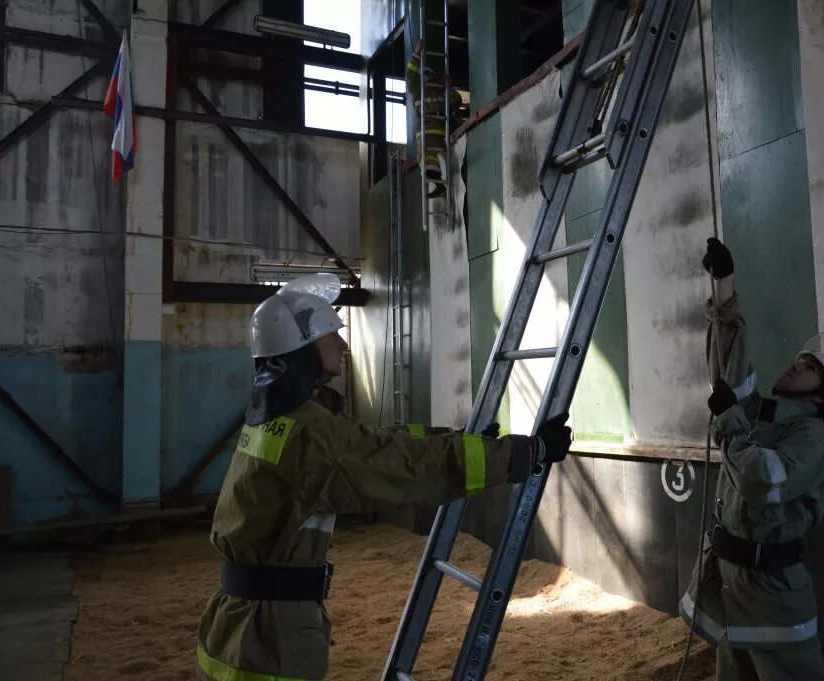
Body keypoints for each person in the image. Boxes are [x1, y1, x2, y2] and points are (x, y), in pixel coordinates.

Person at [196, 275, 571, 681]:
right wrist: (526, 453)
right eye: (331, 336)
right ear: (301, 349)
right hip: (269, 638)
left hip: (236, 624)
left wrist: (455, 438)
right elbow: (404, 465)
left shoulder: (279, 420)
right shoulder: (312, 433)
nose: (343, 345)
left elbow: (377, 443)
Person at [680, 238, 824, 681]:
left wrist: (729, 425)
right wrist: (723, 287)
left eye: (809, 368)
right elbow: (730, 368)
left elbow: (762, 480)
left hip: (773, 594)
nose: (796, 365)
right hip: (734, 580)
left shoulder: (812, 440)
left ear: (821, 396)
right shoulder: (766, 416)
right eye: (799, 360)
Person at [406, 38, 463, 199]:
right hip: (434, 130)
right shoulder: (418, 90)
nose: (427, 78)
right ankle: (437, 182)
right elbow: (410, 74)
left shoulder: (437, 89)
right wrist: (416, 53)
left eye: (429, 75)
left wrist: (449, 87)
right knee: (425, 156)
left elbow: (456, 102)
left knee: (425, 154)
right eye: (425, 75)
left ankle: (438, 183)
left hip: (439, 129)